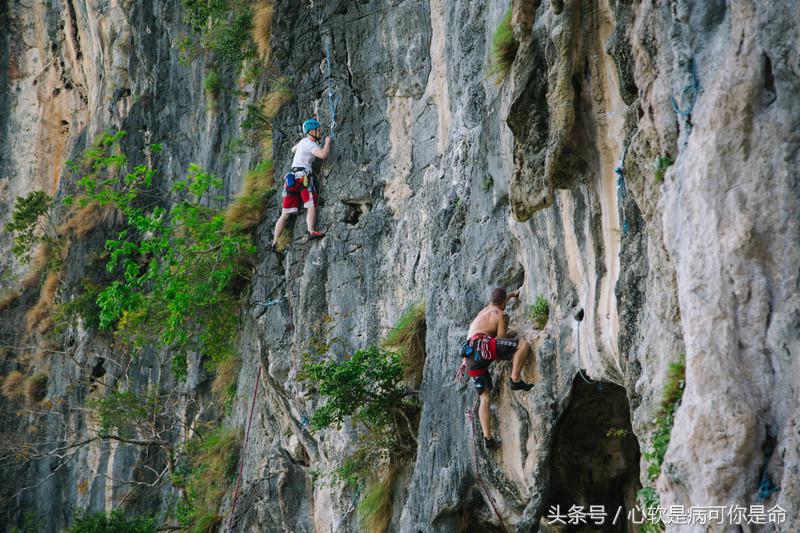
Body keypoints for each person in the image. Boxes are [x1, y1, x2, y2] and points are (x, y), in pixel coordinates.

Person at [462, 287, 533, 450]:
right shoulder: (500, 315)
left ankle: (488, 438)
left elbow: (499, 300)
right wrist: (511, 333)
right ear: (503, 303)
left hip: (470, 356)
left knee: (484, 398)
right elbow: (500, 339)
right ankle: (515, 379)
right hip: (484, 348)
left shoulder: (483, 311)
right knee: (522, 345)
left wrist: (512, 295)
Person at [272, 119, 331, 250]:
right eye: (318, 130)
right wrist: (327, 143)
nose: (320, 132)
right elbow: (323, 154)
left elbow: (293, 149)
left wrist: (299, 148)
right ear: (311, 132)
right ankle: (311, 231)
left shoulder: (302, 142)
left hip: (291, 179)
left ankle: (275, 241)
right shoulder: (311, 144)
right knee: (311, 205)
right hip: (303, 179)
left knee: (285, 214)